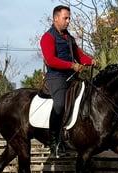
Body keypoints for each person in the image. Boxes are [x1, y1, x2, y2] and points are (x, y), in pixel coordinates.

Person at [40, 5, 98, 158]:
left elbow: (80, 56)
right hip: (56, 78)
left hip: (71, 76)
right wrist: (72, 65)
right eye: (65, 18)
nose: (68, 21)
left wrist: (91, 61)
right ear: (56, 18)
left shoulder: (69, 38)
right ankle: (54, 142)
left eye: (69, 18)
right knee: (59, 104)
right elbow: (51, 60)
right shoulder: (48, 37)